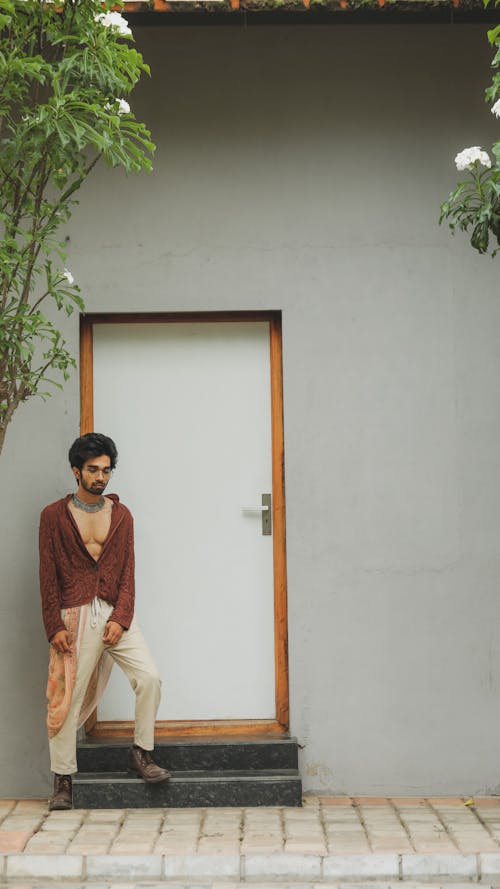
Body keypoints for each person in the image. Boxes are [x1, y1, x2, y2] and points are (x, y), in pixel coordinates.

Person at [39, 432, 170, 810]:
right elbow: (47, 575)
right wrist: (55, 625)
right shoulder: (53, 516)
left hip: (114, 611)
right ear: (76, 471)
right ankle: (63, 780)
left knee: (149, 678)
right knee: (66, 698)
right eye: (93, 470)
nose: (100, 477)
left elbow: (128, 570)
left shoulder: (121, 515)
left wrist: (122, 616)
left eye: (106, 470)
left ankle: (141, 753)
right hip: (74, 613)